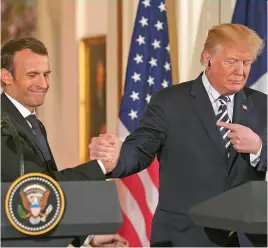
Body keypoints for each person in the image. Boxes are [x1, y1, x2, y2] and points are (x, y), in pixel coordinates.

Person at [89, 23, 267, 247]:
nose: (240, 72)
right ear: (207, 58)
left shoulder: (262, 106)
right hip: (184, 237)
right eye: (231, 61)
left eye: (246, 63)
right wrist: (115, 158)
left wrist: (259, 147)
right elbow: (140, 150)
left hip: (246, 240)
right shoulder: (170, 102)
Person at [1, 37, 128, 247]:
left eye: (46, 74)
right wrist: (99, 166)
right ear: (6, 76)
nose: (43, 84)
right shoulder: (4, 127)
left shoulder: (30, 122)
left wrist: (87, 237)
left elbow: (46, 204)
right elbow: (39, 188)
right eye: (32, 75)